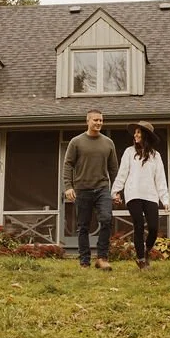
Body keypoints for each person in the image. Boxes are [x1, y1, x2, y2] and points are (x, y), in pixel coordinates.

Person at [63, 109, 120, 270]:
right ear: (87, 121)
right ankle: (84, 261)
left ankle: (102, 258)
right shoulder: (76, 142)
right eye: (95, 120)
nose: (99, 123)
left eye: (101, 120)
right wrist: (68, 186)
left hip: (102, 188)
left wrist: (116, 190)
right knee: (83, 226)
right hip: (82, 189)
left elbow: (114, 169)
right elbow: (68, 165)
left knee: (106, 220)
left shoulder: (108, 143)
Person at [112, 120, 169, 269]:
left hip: (151, 195)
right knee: (138, 225)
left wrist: (165, 199)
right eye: (135, 132)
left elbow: (160, 179)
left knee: (154, 228)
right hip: (133, 194)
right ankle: (141, 259)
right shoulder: (129, 152)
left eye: (139, 132)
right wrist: (116, 191)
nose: (135, 135)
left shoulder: (156, 156)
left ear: (146, 135)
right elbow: (122, 173)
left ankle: (146, 251)